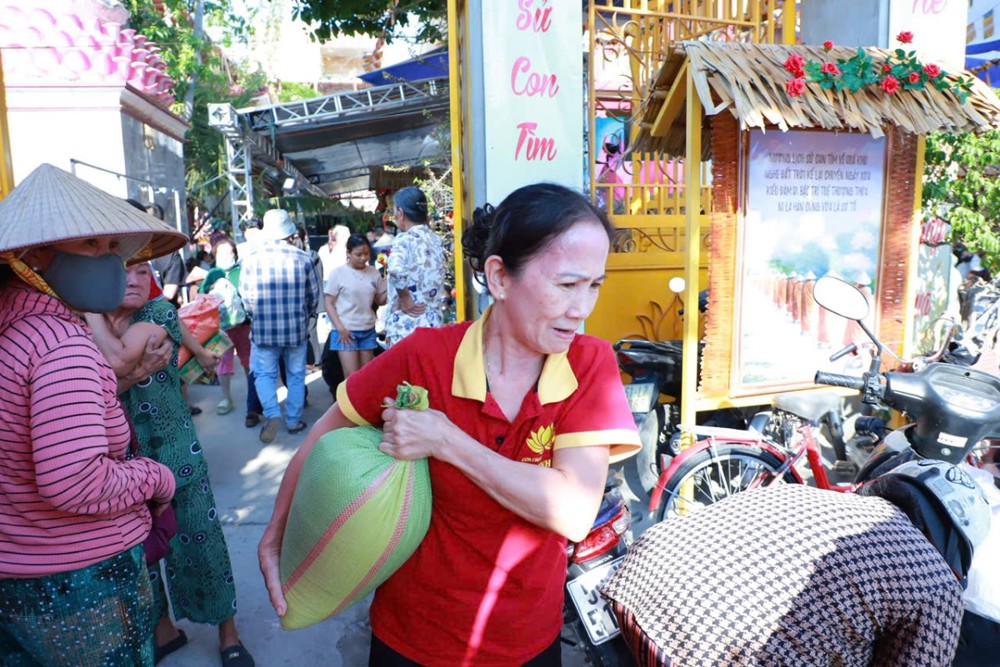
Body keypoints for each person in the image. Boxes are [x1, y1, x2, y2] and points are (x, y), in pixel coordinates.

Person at [258, 183, 642, 665]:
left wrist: (446, 440)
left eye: (594, 286)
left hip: (527, 643)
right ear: (499, 277)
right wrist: (276, 532)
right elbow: (325, 432)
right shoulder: (425, 357)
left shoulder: (590, 364)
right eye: (567, 285)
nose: (582, 308)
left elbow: (573, 511)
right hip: (410, 640)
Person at [0, 163, 182, 666]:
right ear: (34, 255)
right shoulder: (59, 345)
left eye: (111, 246)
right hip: (82, 583)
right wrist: (156, 477)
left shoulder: (14, 328)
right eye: (91, 244)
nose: (111, 259)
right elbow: (76, 482)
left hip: (19, 572)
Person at [601, 460, 992, 667]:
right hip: (701, 649)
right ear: (956, 540)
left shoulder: (812, 495)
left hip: (634, 589)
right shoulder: (936, 583)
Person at [86, 260, 255, 667]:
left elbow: (114, 366)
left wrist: (90, 313)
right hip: (121, 459)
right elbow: (99, 387)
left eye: (143, 272)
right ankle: (164, 630)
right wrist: (128, 373)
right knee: (138, 550)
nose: (134, 280)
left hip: (176, 452)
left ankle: (228, 632)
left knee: (201, 537)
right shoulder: (87, 325)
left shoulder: (158, 313)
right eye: (123, 271)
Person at [239, 208, 320, 443]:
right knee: (296, 375)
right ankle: (293, 421)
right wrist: (306, 316)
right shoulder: (304, 258)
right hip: (296, 330)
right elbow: (313, 297)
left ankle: (273, 414)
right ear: (290, 233)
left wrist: (257, 314)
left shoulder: (251, 259)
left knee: (264, 374)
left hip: (264, 330)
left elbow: (246, 297)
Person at [384, 186, 446, 345]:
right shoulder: (435, 240)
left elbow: (395, 270)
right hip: (432, 325)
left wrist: (404, 297)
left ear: (400, 213)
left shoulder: (404, 240)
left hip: (407, 327)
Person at [199, 237, 251, 416]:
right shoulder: (212, 274)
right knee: (223, 362)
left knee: (248, 360)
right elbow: (202, 295)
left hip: (243, 325)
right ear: (215, 255)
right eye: (222, 253)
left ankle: (253, 397)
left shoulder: (241, 272)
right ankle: (226, 398)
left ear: (235, 254)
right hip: (220, 329)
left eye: (230, 253)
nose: (227, 256)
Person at [324, 233, 387, 377]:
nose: (363, 258)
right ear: (348, 253)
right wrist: (340, 329)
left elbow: (380, 300)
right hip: (346, 331)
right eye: (358, 254)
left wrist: (390, 286)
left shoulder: (374, 273)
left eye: (366, 254)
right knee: (351, 376)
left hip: (368, 329)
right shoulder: (338, 273)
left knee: (367, 375)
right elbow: (328, 303)